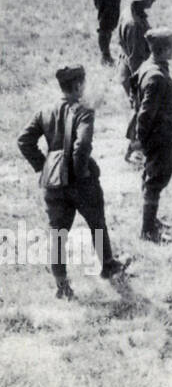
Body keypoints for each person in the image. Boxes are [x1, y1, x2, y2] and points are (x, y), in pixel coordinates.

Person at [17, 65, 129, 298]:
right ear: (78, 86)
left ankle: (62, 286)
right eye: (83, 83)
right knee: (97, 223)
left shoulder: (45, 110)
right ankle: (108, 265)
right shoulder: (84, 111)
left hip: (54, 183)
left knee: (58, 233)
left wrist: (45, 165)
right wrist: (78, 172)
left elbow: (24, 140)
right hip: (81, 183)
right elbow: (83, 145)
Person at [133, 28, 172, 243]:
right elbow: (145, 113)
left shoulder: (150, 66)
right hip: (159, 139)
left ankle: (152, 220)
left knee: (152, 178)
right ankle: (147, 230)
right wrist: (144, 141)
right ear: (164, 49)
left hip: (159, 137)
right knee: (155, 181)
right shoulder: (156, 77)